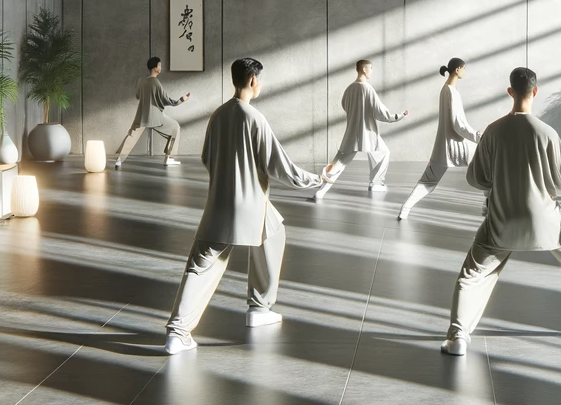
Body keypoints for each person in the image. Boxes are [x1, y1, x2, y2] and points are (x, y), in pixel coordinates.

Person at [442, 66, 561, 357]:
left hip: (501, 223)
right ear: (535, 92)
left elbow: (475, 178)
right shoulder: (546, 133)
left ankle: (457, 337)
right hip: (547, 223)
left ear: (510, 92)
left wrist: (498, 182)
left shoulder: (493, 131)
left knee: (471, 275)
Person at [162, 57, 321, 356]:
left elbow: (207, 157)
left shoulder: (218, 115)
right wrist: (315, 180)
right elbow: (280, 166)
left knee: (263, 238)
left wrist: (227, 180)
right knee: (214, 262)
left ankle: (257, 308)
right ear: (252, 81)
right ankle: (179, 330)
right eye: (259, 80)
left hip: (221, 204)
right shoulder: (254, 118)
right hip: (249, 207)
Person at [397, 57, 481, 220]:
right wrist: (478, 137)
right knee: (490, 164)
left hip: (444, 147)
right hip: (457, 146)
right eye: (464, 68)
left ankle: (405, 209)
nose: (464, 71)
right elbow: (458, 124)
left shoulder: (445, 89)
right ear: (457, 69)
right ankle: (491, 204)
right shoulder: (452, 92)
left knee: (428, 181)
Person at [313, 59, 408, 200]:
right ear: (364, 69)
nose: (372, 71)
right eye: (371, 68)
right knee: (383, 153)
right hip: (368, 133)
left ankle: (320, 192)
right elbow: (381, 113)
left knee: (339, 163)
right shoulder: (367, 89)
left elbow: (345, 105)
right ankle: (375, 183)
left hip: (352, 132)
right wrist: (399, 116)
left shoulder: (349, 89)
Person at [114, 56, 191, 168]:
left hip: (141, 115)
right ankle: (168, 158)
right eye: (159, 65)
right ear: (155, 67)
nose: (161, 67)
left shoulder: (141, 80)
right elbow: (168, 101)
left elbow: (137, 96)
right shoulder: (156, 82)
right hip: (155, 117)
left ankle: (119, 159)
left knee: (131, 136)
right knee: (175, 127)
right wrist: (182, 99)